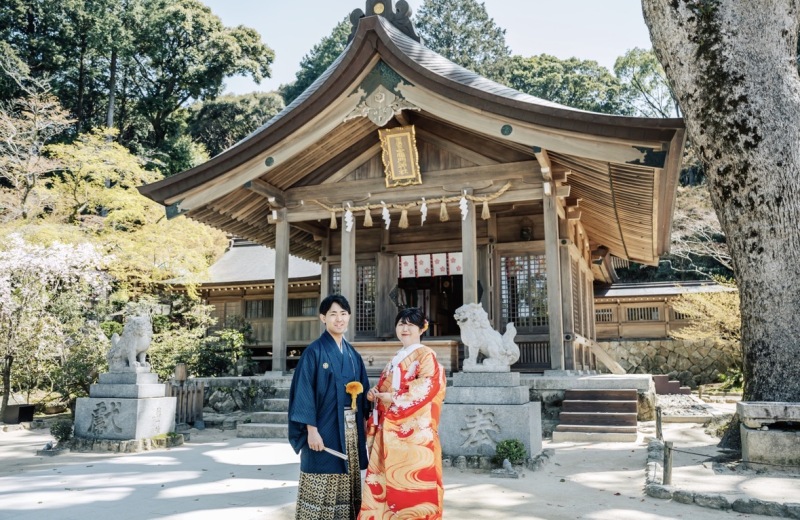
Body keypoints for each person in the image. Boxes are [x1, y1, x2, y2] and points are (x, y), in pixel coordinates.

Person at [359, 307, 447, 520]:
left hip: (412, 433)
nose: (405, 329)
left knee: (411, 482)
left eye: (410, 324)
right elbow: (386, 387)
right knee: (383, 480)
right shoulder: (397, 357)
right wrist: (375, 393)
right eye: (401, 324)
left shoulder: (425, 354)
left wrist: (393, 398)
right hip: (388, 428)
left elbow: (427, 388)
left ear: (422, 328)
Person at [288, 294, 371, 520]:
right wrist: (311, 430)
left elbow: (363, 393)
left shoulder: (353, 355)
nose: (339, 319)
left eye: (343, 313)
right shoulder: (314, 352)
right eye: (333, 314)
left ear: (349, 317)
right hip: (323, 427)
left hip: (350, 429)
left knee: (347, 481)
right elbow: (303, 392)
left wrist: (366, 418)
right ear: (323, 318)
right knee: (321, 475)